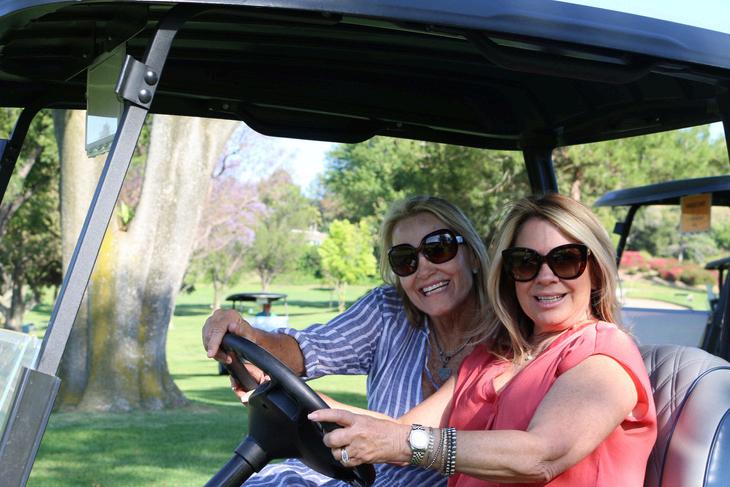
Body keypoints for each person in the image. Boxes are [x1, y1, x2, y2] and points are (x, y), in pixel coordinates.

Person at [310, 193, 657, 486]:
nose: (545, 277)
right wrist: (307, 403)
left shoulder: (603, 355)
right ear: (510, 276)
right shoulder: (493, 356)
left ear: (595, 270)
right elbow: (399, 429)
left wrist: (404, 442)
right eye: (526, 263)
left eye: (565, 260)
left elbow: (541, 456)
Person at [202, 195, 491, 486]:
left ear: (474, 256)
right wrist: (250, 336)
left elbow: (402, 436)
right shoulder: (388, 310)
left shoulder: (502, 347)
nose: (424, 269)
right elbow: (311, 348)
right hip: (356, 475)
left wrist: (306, 404)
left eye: (439, 248)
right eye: (405, 260)